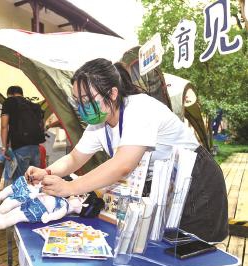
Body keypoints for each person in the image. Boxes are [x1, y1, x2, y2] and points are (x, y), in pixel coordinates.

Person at [26, 58, 228, 242]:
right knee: (164, 248)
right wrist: (47, 172)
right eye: (77, 101)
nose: (82, 107)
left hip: (194, 182)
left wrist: (70, 187)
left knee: (195, 251)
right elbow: (74, 158)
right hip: (161, 184)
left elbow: (123, 165)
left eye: (87, 100)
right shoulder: (100, 122)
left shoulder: (139, 109)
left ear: (112, 93)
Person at [0, 86, 40, 181]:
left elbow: (4, 126)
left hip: (20, 148)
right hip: (36, 148)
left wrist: (4, 147)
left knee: (20, 182)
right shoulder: (32, 105)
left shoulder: (9, 102)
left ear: (10, 95)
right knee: (33, 182)